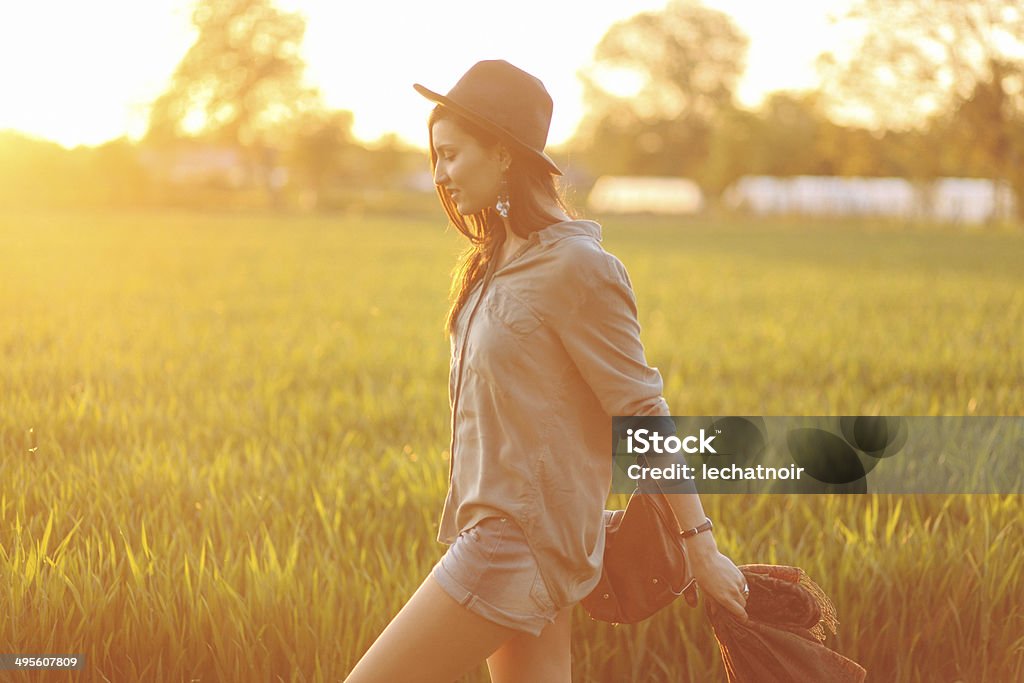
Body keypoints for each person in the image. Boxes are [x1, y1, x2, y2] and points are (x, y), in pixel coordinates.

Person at [344, 60, 749, 683]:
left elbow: (642, 413)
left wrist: (702, 547)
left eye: (451, 155)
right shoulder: (493, 260)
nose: (441, 176)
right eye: (435, 158)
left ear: (504, 154)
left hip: (514, 548)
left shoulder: (578, 268)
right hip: (508, 540)